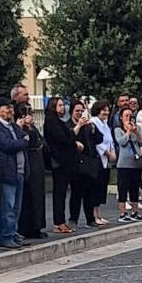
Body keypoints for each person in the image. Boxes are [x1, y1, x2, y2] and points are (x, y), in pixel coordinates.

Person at [0, 97, 28, 250]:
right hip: (6, 171)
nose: (10, 110)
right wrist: (24, 141)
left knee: (15, 206)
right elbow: (8, 145)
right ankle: (6, 237)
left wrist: (25, 137)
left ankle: (1, 234)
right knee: (8, 207)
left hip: (19, 170)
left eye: (11, 107)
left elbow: (29, 139)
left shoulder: (13, 126)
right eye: (7, 108)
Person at [43, 97, 79, 234]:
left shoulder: (59, 121)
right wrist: (72, 141)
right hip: (59, 161)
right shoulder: (51, 121)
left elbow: (69, 135)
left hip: (65, 161)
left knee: (62, 192)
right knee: (59, 192)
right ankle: (58, 222)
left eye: (63, 105)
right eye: (59, 105)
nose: (62, 108)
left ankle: (61, 221)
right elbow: (63, 138)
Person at [16, 103, 47, 240]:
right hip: (28, 162)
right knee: (28, 197)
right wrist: (24, 127)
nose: (31, 116)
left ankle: (37, 226)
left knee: (38, 195)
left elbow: (39, 141)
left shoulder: (32, 127)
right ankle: (25, 228)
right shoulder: (18, 127)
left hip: (37, 163)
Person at [115, 107, 142, 223]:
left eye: (131, 116)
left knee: (135, 188)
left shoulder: (137, 128)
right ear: (121, 117)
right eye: (126, 116)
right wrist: (128, 132)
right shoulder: (118, 130)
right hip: (124, 164)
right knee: (123, 188)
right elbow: (121, 142)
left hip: (136, 163)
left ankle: (135, 211)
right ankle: (123, 212)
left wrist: (136, 131)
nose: (129, 118)